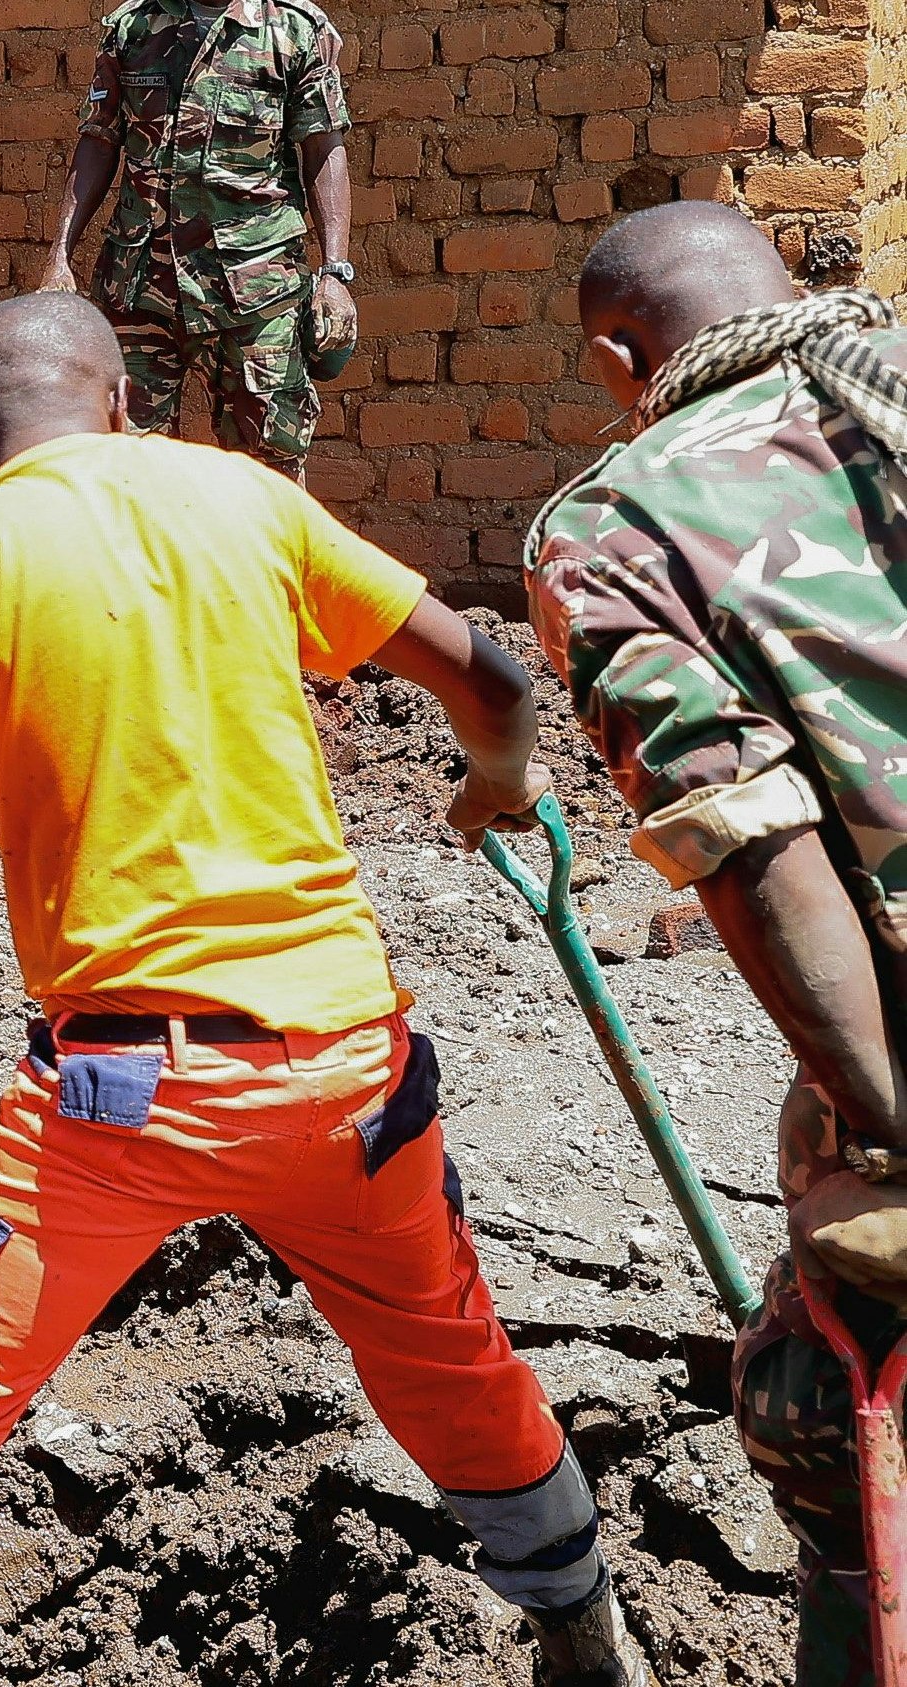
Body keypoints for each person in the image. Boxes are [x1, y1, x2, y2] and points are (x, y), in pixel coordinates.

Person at [0, 293, 641, 1687]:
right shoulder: (242, 500)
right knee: (441, 1347)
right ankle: (576, 1617)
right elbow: (494, 685)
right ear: (114, 398)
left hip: (121, 1097)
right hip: (346, 1065)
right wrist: (499, 783)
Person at [525, 201, 907, 1683]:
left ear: (620, 356)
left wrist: (884, 1131)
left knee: (813, 1391)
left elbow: (746, 837)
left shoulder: (619, 522)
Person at [40, 0, 356, 478]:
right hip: (140, 289)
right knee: (124, 470)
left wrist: (334, 272)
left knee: (266, 474)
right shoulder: (133, 26)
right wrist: (59, 255)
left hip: (255, 294)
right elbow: (99, 140)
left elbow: (323, 148)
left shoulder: (295, 29)